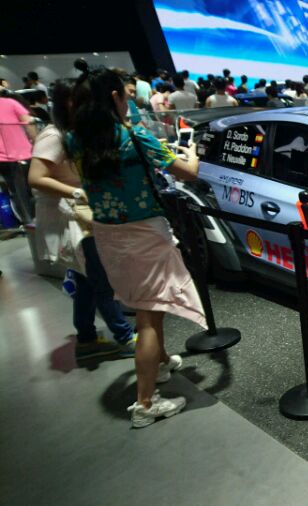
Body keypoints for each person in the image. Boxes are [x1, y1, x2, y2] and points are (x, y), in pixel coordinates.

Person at [68, 67, 206, 427]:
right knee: (149, 316)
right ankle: (145, 403)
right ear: (115, 97)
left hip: (107, 233)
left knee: (145, 304)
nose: (129, 99)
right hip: (144, 232)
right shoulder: (134, 136)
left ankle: (160, 363)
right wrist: (193, 153)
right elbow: (187, 172)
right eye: (126, 94)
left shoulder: (75, 140)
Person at [27, 79, 136, 359]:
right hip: (73, 215)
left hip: (80, 214)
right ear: (69, 102)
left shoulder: (75, 132)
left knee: (86, 278)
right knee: (100, 277)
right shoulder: (54, 135)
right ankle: (125, 336)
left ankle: (86, 337)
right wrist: (78, 192)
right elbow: (36, 178)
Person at [0, 91, 37, 225]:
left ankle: (27, 221)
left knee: (15, 191)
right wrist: (37, 142)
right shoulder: (11, 103)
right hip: (23, 154)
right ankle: (34, 219)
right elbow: (29, 123)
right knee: (32, 189)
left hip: (2, 160)